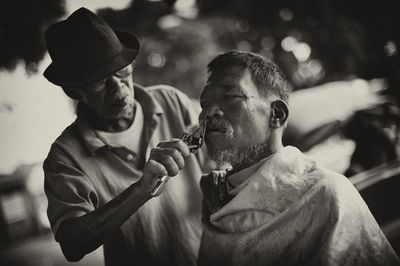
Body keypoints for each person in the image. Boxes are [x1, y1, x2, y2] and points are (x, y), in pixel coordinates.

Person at [196, 51, 400, 266]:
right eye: (204, 104)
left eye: (230, 97)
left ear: (277, 114)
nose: (208, 113)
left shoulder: (325, 193)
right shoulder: (215, 201)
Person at [42, 7, 209, 266]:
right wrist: (142, 190)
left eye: (120, 70)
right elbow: (72, 244)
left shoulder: (172, 100)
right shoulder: (65, 158)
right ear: (74, 91)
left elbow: (218, 161)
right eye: (99, 81)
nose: (118, 88)